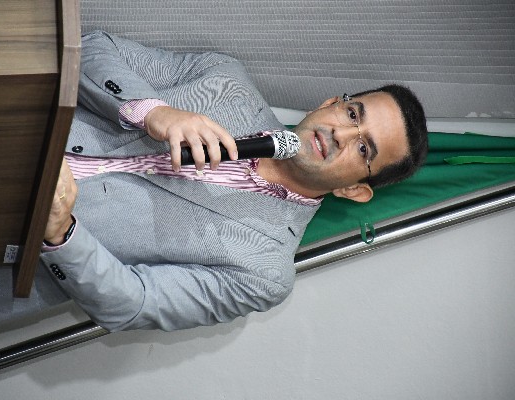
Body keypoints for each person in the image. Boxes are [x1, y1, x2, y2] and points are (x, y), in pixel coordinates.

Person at [40, 31, 428, 332]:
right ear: (329, 104)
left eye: (363, 149)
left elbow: (134, 304)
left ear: (353, 190)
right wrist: (151, 111)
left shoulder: (264, 273)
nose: (340, 135)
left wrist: (60, 233)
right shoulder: (226, 81)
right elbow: (92, 47)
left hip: (17, 251)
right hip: (20, 133)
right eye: (352, 114)